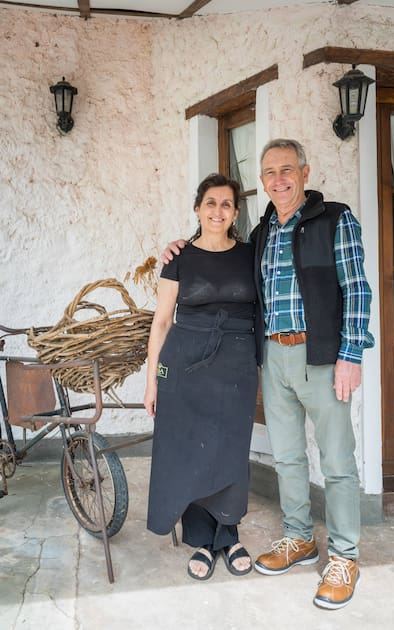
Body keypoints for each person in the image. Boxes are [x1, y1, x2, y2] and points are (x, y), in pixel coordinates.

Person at [162, 139, 374, 609]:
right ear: (262, 183)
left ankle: (344, 555)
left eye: (287, 170)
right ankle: (298, 538)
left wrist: (352, 355)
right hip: (272, 357)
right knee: (290, 457)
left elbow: (357, 288)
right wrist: (177, 246)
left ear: (304, 171)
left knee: (337, 460)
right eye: (269, 173)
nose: (278, 179)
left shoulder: (335, 219)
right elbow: (215, 251)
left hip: (321, 356)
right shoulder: (260, 233)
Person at [144, 173, 258, 581]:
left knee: (230, 450)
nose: (217, 211)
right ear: (197, 208)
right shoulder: (179, 258)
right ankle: (203, 542)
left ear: (236, 212)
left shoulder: (250, 254)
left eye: (226, 204)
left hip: (237, 367)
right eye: (210, 203)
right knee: (191, 451)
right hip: (184, 367)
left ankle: (229, 534)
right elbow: (160, 323)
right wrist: (152, 380)